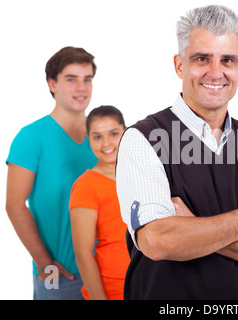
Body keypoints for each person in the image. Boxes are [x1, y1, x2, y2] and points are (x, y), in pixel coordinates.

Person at [116, 5, 238, 300]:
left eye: (227, 60)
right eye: (202, 58)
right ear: (180, 65)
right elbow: (157, 240)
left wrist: (191, 226)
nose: (216, 72)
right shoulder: (143, 139)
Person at [5, 47, 98, 300]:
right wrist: (45, 264)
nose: (82, 87)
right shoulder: (31, 138)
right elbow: (14, 205)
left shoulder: (104, 137)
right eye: (71, 79)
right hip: (62, 274)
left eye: (87, 79)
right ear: (52, 84)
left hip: (106, 270)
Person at [69, 105, 130, 300]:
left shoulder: (142, 175)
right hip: (113, 289)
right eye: (97, 136)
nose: (106, 144)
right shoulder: (86, 186)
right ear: (88, 140)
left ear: (126, 132)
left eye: (113, 133)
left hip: (153, 284)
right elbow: (83, 254)